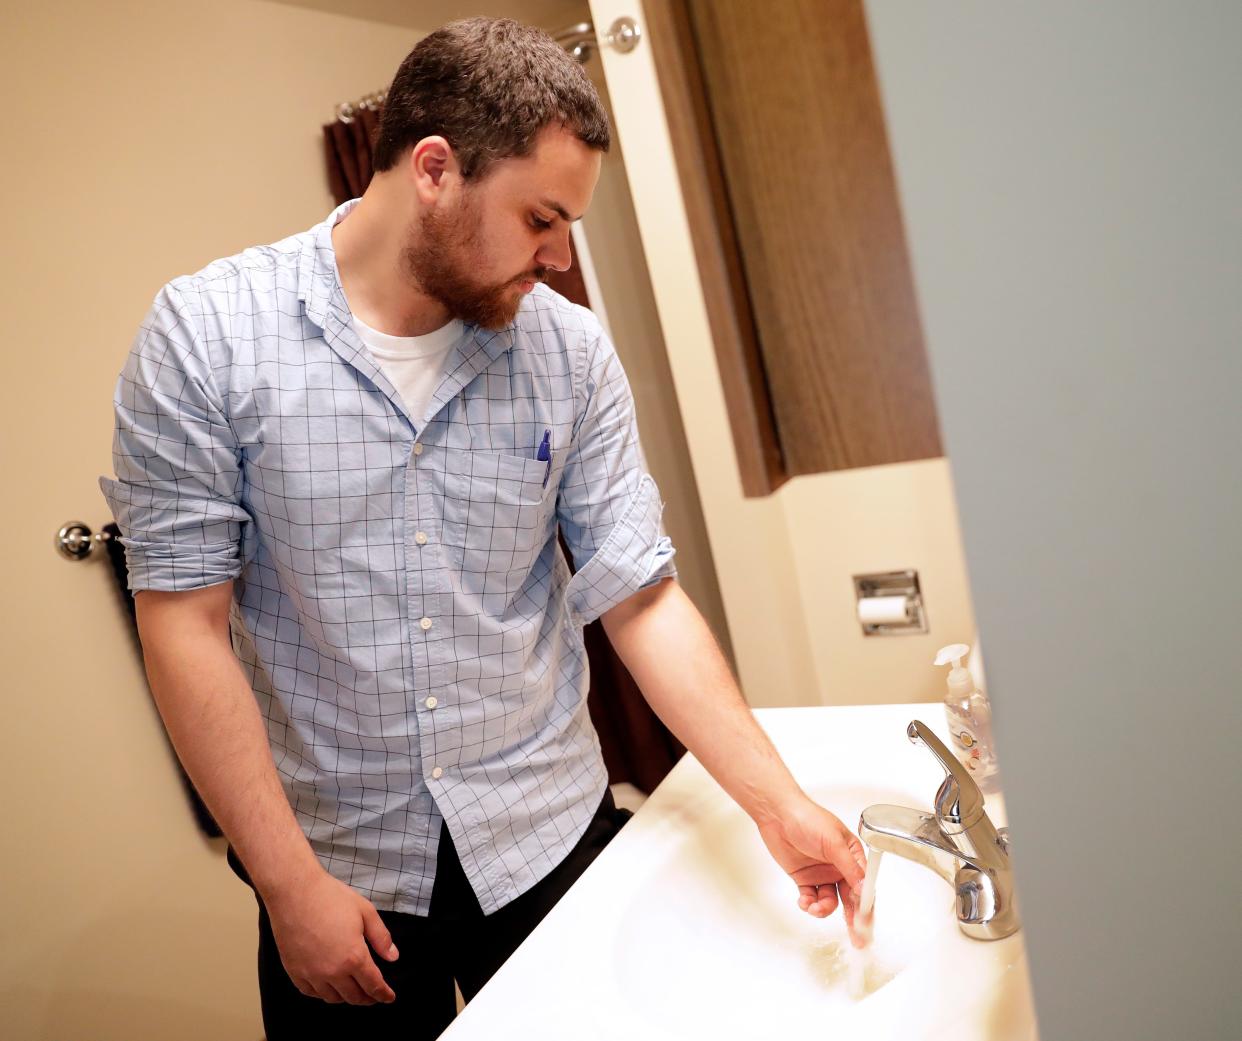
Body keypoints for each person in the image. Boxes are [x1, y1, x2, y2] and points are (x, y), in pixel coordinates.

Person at [100, 17, 868, 1041]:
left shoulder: (571, 355)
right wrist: (287, 888)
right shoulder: (207, 338)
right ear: (434, 170)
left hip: (548, 836)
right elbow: (183, 627)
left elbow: (639, 597)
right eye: (541, 218)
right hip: (340, 875)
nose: (557, 260)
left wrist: (777, 804)